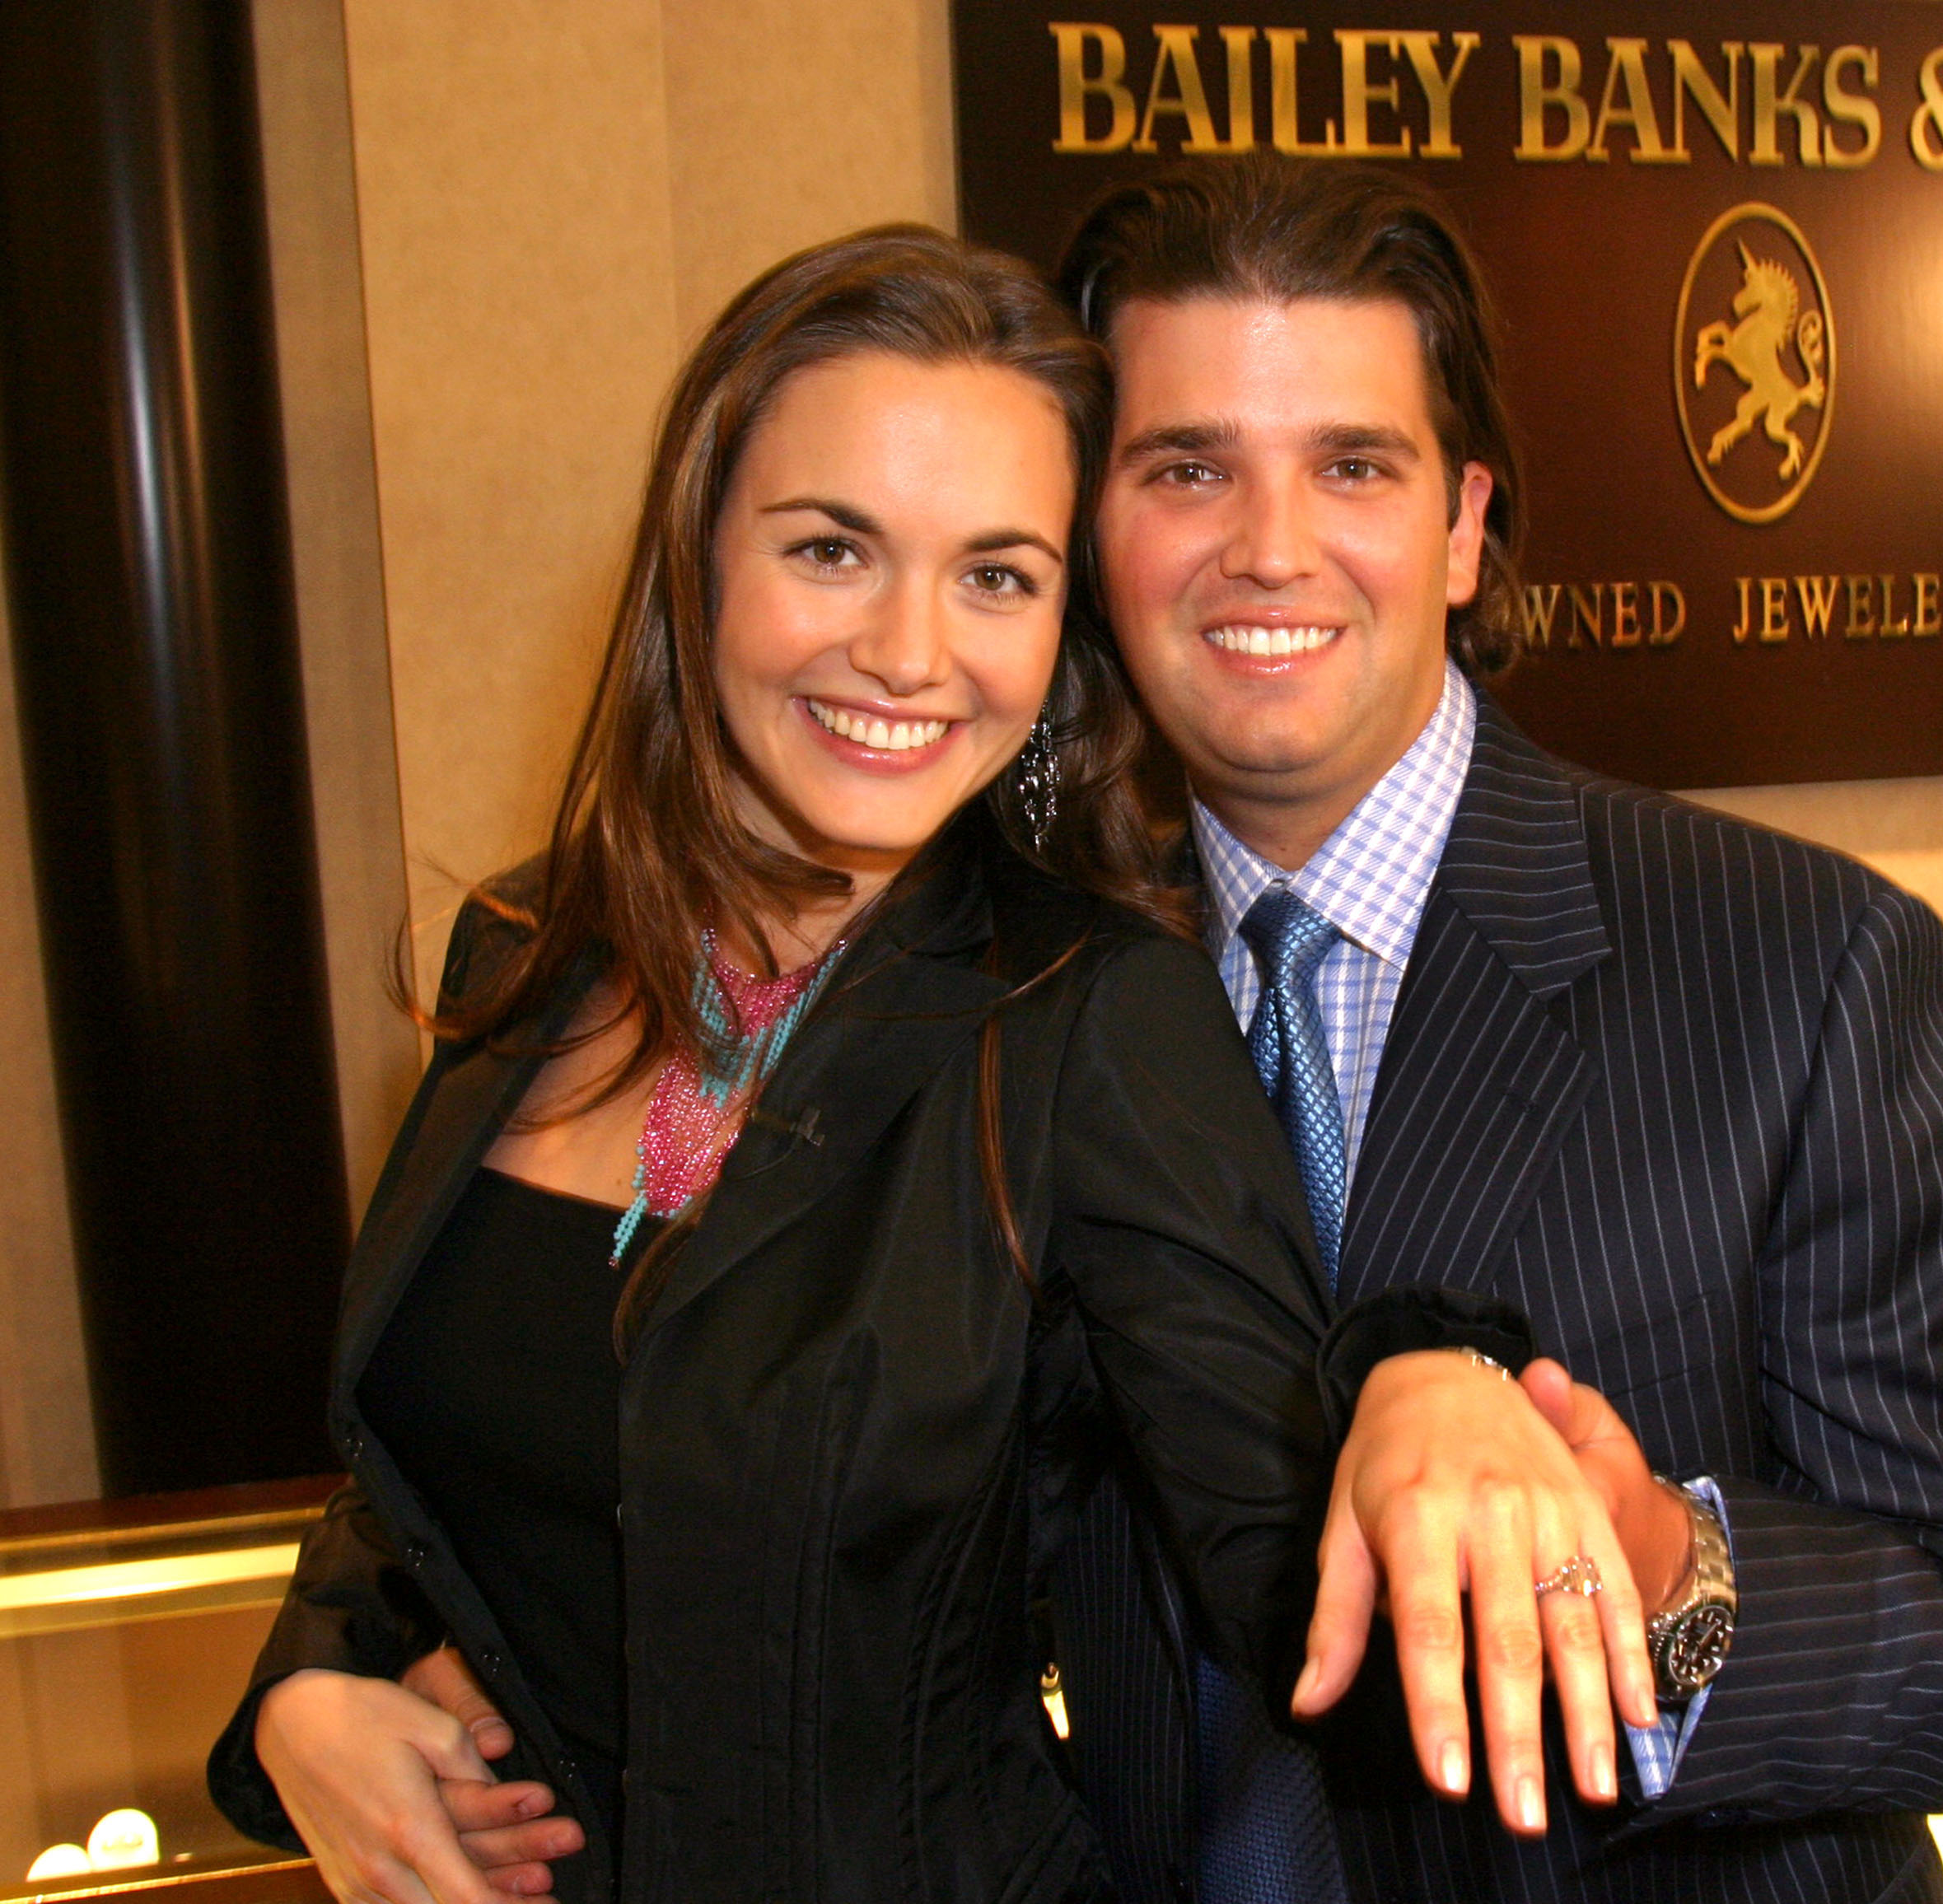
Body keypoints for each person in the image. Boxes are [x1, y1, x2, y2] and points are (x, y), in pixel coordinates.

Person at [208, 226, 1651, 1904]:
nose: (910, 651)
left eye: (997, 575)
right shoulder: (533, 951)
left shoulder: (1086, 1017)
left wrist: (1433, 1381)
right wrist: (309, 1690)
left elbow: (1304, 1558)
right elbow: (460, 1445)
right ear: (698, 558)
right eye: (833, 549)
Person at [1044, 156, 1943, 1902]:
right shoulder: (1040, 994)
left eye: (1352, 465)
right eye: (1187, 467)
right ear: (1098, 531)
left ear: (1463, 527)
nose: (1269, 545)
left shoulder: (1805, 959)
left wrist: (1669, 1580)